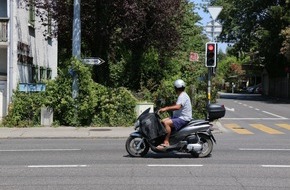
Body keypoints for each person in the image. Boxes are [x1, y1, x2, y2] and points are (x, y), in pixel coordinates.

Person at [157, 79, 192, 150]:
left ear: (175, 88)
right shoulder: (182, 95)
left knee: (166, 123)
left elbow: (178, 107)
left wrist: (166, 108)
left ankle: (166, 142)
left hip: (183, 118)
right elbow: (177, 105)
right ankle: (171, 138)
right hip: (179, 117)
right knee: (162, 121)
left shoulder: (182, 96)